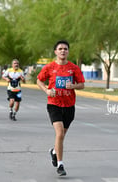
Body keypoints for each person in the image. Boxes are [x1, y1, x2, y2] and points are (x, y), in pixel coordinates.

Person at [37, 40, 85, 176]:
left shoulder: (74, 68)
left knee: (62, 136)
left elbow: (82, 84)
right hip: (54, 104)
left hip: (69, 105)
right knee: (59, 133)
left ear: (68, 51)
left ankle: (54, 151)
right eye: (60, 49)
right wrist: (46, 90)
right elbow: (39, 80)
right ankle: (60, 164)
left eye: (65, 49)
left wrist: (73, 86)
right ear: (55, 52)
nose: (63, 51)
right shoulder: (49, 67)